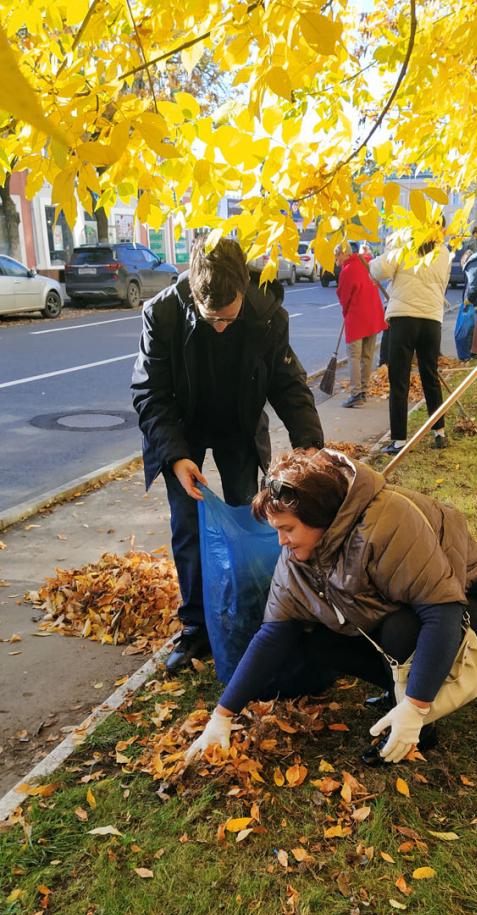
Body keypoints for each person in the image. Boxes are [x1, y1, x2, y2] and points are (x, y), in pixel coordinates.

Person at [183, 449, 477, 768]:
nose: (281, 542)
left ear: (321, 518)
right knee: (312, 638)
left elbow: (441, 610)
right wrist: (222, 715)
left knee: (401, 630)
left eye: (288, 529)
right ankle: (398, 692)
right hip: (406, 607)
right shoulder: (299, 555)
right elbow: (275, 632)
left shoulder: (386, 522)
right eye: (277, 531)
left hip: (475, 598)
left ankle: (415, 728)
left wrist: (416, 707)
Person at [131, 235, 324, 673]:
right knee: (189, 527)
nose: (221, 326)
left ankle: (249, 614)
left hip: (239, 425)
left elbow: (288, 385)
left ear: (243, 290)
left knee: (246, 514)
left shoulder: (266, 314)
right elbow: (149, 392)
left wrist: (310, 449)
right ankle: (196, 630)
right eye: (211, 319)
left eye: (229, 318)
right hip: (181, 428)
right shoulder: (161, 313)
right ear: (194, 294)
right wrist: (176, 455)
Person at [368, 229, 451, 454]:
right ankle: (439, 432)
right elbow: (443, 283)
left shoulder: (404, 246)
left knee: (399, 380)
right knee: (430, 375)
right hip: (431, 320)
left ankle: (399, 440)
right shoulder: (443, 252)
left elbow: (378, 269)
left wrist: (388, 248)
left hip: (404, 319)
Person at [334, 242, 387, 408]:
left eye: (337, 257)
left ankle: (356, 394)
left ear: (344, 254)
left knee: (354, 357)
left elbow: (344, 297)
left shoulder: (348, 270)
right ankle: (364, 391)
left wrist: (346, 313)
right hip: (373, 316)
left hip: (357, 319)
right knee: (367, 355)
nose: (336, 262)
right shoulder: (367, 262)